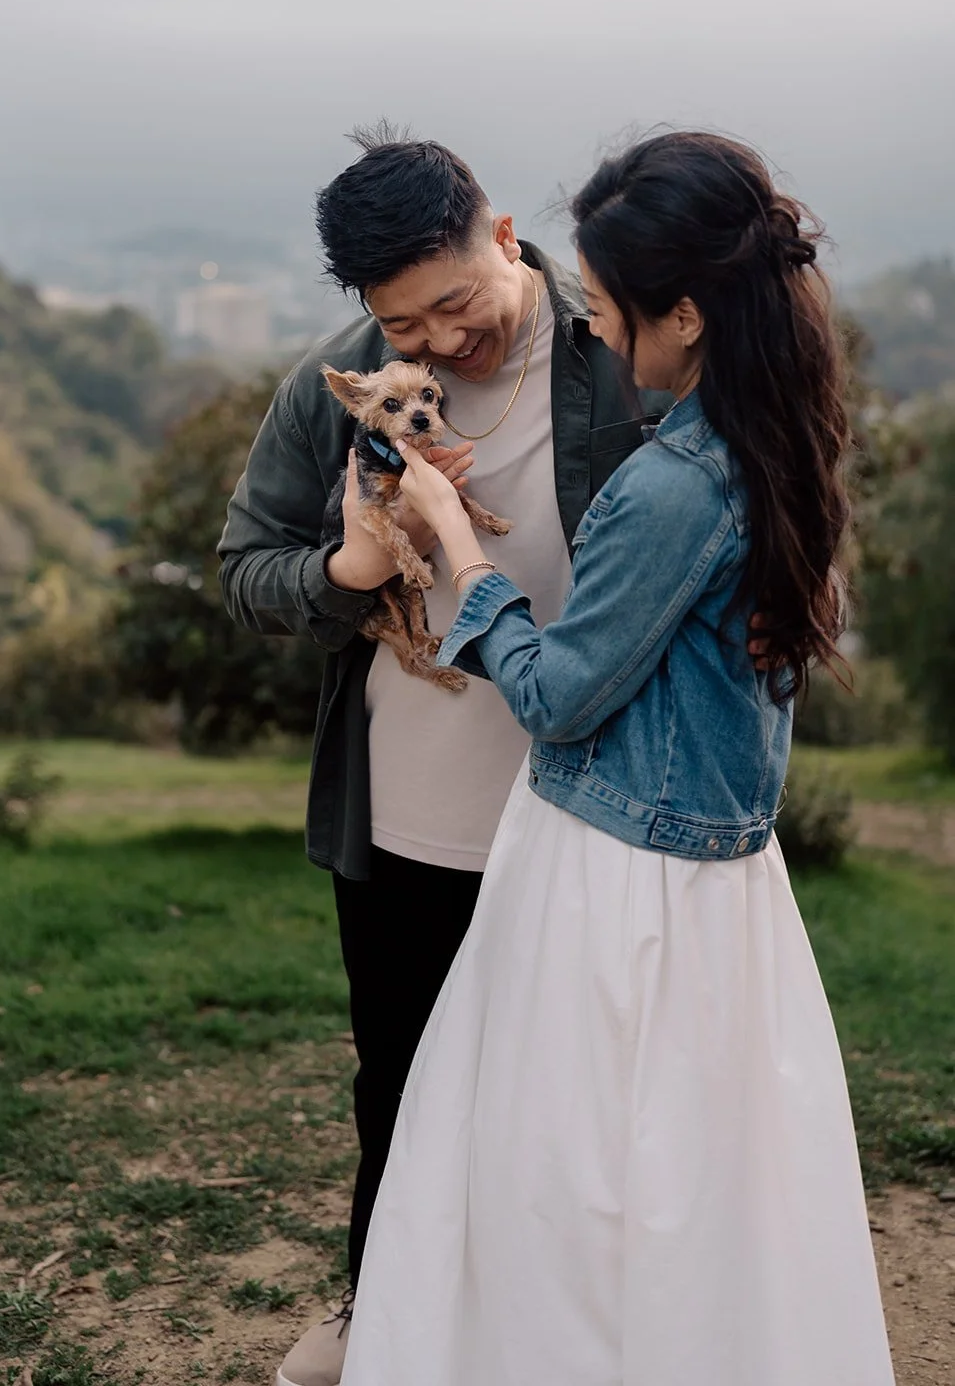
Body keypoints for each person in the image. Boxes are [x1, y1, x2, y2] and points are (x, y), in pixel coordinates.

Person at [337, 131, 895, 1386]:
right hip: (720, 883)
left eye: (602, 304)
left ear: (683, 314)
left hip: (609, 885)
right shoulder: (780, 438)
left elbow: (555, 693)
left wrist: (448, 540)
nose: (589, 327)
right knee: (697, 1183)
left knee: (563, 1182)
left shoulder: (672, 485)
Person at [217, 127, 672, 1386]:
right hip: (406, 811)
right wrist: (349, 569)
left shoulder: (622, 353)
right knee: (403, 1085)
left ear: (507, 238)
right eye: (405, 327)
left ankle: (579, 1334)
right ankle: (385, 1311)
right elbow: (243, 570)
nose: (439, 345)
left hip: (595, 804)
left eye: (456, 304)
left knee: (582, 1101)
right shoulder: (339, 381)